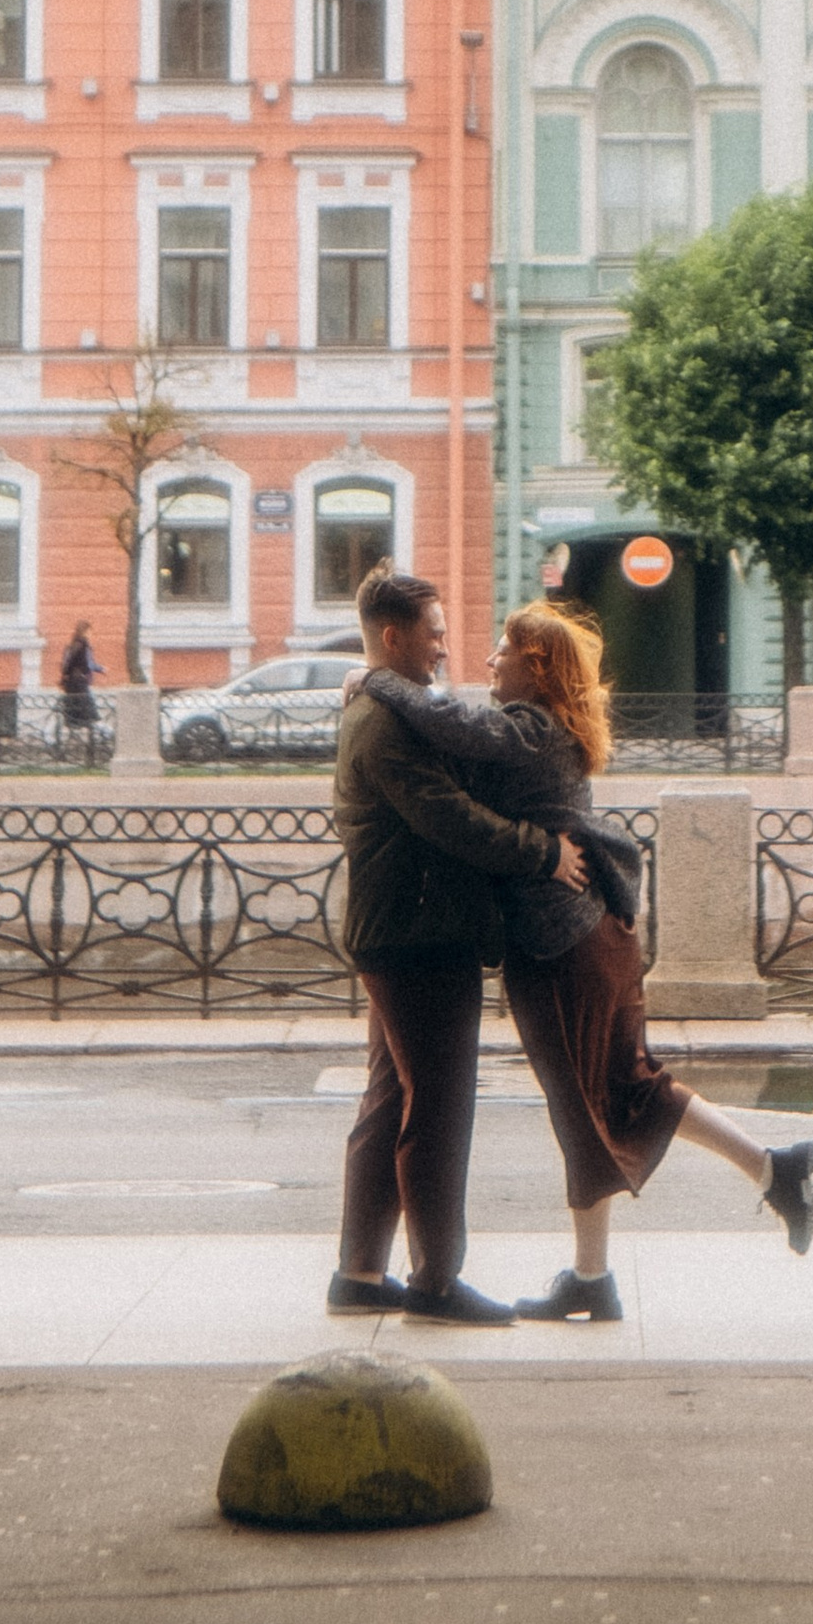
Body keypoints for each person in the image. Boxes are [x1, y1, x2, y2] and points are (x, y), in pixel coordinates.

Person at [359, 600, 813, 1321]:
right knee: (614, 1092)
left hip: (565, 947)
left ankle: (752, 1181)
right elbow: (460, 732)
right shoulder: (542, 728)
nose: (489, 660)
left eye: (504, 649)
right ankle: (615, 1264)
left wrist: (380, 680)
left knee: (596, 1098)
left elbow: (457, 725)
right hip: (581, 941)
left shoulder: (533, 730)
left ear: (536, 667)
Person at [329, 566, 589, 1329]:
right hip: (418, 934)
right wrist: (543, 852)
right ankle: (436, 1282)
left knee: (389, 1099)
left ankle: (360, 1271)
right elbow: (450, 817)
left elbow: (459, 739)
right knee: (436, 1109)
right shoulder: (383, 722)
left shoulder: (387, 707)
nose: (447, 648)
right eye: (435, 634)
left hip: (403, 929)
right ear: (392, 637)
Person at [57, 621, 102, 759]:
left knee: (72, 720)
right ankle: (91, 753)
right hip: (80, 684)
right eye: (90, 631)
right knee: (89, 716)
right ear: (85, 631)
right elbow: (89, 664)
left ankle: (64, 750)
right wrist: (101, 669)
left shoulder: (71, 645)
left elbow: (65, 665)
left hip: (70, 685)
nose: (91, 634)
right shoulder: (84, 645)